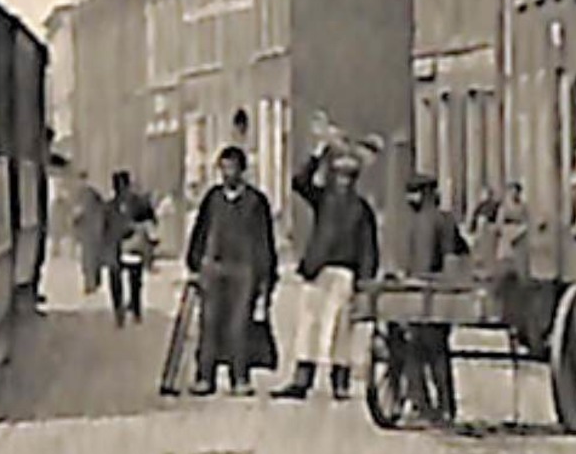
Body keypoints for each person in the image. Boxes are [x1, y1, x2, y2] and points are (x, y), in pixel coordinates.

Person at [272, 144, 378, 402]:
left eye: (348, 177)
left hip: (345, 272)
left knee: (340, 327)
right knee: (309, 323)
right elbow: (298, 182)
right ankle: (301, 379)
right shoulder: (323, 199)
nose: (343, 182)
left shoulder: (361, 209)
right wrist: (318, 155)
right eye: (339, 176)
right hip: (317, 270)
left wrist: (365, 279)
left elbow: (368, 247)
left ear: (354, 181)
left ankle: (340, 381)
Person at [185, 146, 277, 397]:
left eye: (233, 168)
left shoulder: (256, 202)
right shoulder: (212, 198)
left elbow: (264, 241)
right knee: (209, 323)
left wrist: (266, 279)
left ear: (242, 170)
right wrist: (194, 264)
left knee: (240, 326)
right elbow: (200, 232)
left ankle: (240, 378)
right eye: (224, 168)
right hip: (214, 267)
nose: (228, 173)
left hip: (243, 270)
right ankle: (205, 377)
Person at [402, 173, 468, 423]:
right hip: (430, 292)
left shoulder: (428, 221)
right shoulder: (440, 220)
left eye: (414, 193)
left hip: (427, 292)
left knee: (421, 350)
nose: (410, 198)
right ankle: (440, 405)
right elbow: (456, 254)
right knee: (434, 351)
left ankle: (428, 404)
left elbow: (449, 257)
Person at [105, 171, 157, 326]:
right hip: (116, 248)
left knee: (133, 280)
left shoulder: (137, 203)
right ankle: (120, 312)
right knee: (119, 280)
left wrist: (138, 227)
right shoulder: (111, 206)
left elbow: (151, 220)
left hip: (132, 246)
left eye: (122, 185)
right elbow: (104, 228)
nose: (121, 190)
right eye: (118, 186)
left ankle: (133, 310)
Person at [495, 182, 530, 279]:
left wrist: (521, 229)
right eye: (511, 192)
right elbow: (499, 222)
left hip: (519, 233)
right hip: (506, 234)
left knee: (519, 260)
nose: (514, 194)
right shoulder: (504, 207)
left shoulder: (522, 206)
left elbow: (526, 221)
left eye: (516, 192)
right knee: (505, 260)